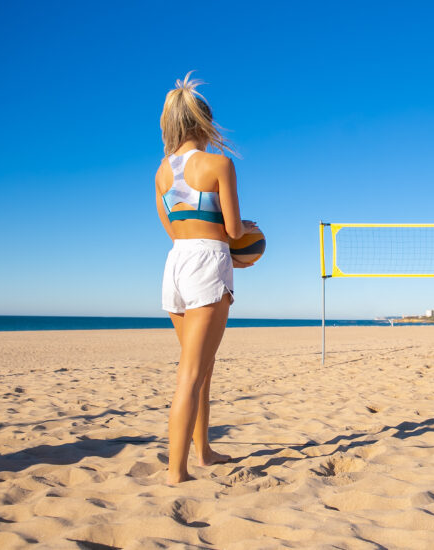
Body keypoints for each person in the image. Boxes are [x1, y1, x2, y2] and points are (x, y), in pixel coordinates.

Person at [155, 72, 254, 483]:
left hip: (176, 262)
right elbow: (232, 232)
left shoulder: (161, 173)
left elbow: (172, 229)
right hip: (208, 262)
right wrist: (250, 228)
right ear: (204, 124)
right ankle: (176, 473)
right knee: (191, 374)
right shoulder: (219, 164)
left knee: (201, 369)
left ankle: (204, 452)